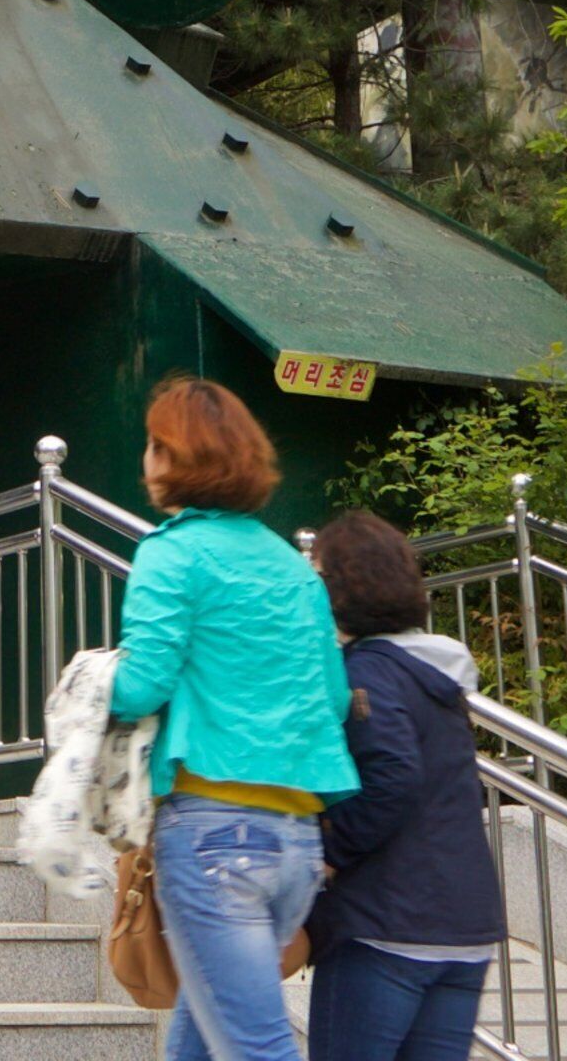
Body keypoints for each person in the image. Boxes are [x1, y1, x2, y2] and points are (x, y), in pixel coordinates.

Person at [110, 376, 356, 1061]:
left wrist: (87, 684)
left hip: (213, 831)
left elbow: (141, 686)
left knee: (256, 1048)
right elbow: (332, 699)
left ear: (174, 457)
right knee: (204, 1030)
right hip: (298, 843)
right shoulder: (292, 566)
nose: (145, 461)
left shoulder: (171, 551)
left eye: (154, 446)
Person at [302, 512, 501, 1061]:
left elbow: (392, 775)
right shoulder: (437, 677)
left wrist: (331, 853)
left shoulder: (369, 672)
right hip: (464, 927)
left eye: (316, 577)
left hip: (385, 924)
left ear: (340, 588)